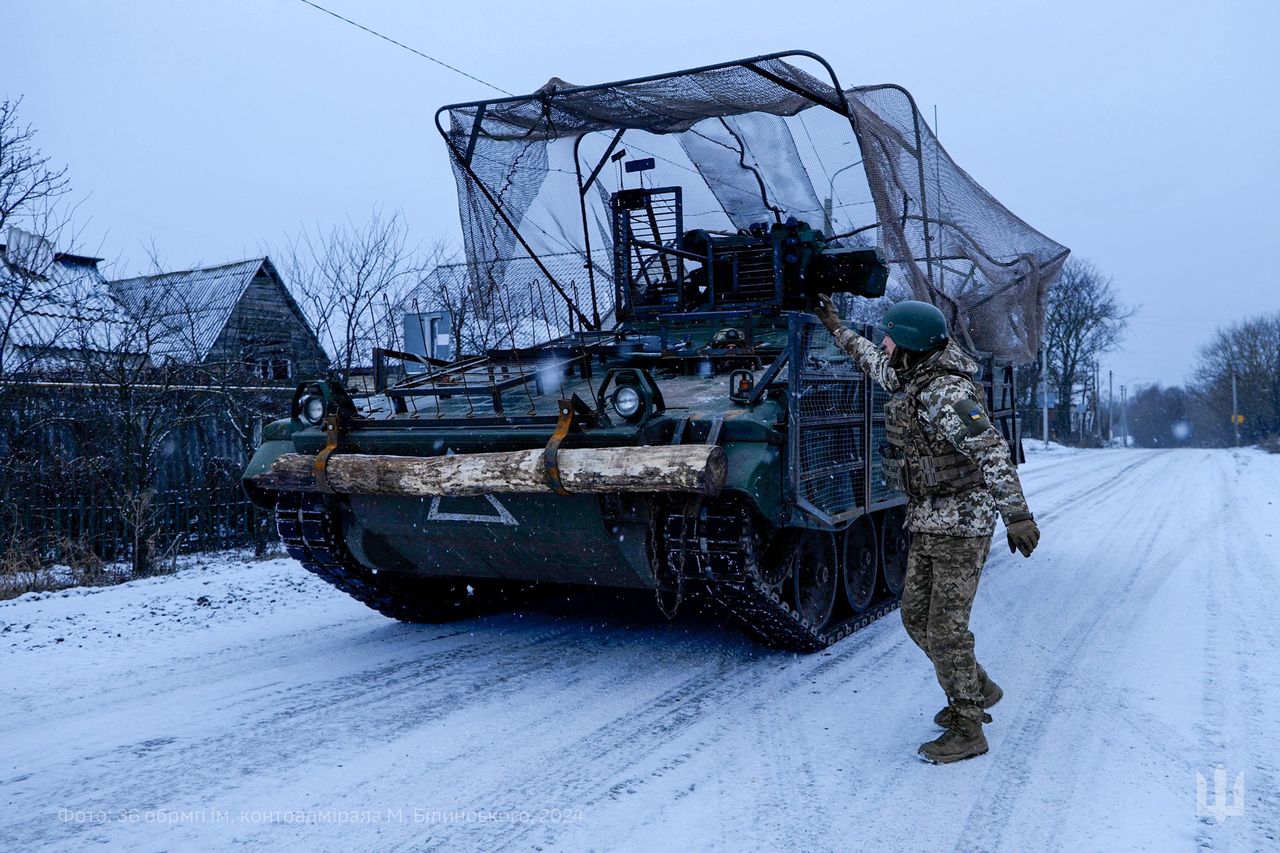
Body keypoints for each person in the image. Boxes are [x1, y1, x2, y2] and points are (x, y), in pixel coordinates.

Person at [814, 295, 1040, 764]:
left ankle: (968, 725)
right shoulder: (913, 376)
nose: (885, 343)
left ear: (911, 343)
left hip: (962, 525)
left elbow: (992, 451)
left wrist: (1017, 515)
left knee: (944, 630)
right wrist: (836, 328)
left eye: (890, 335)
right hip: (929, 519)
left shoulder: (945, 394)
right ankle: (978, 687)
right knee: (916, 618)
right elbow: (875, 363)